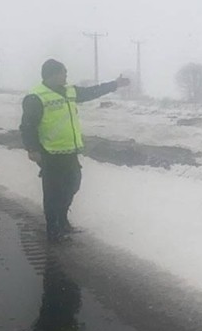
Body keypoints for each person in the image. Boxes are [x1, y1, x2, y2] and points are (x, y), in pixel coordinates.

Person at [20, 59, 128, 242]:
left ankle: (62, 220)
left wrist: (114, 84)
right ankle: (53, 229)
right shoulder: (36, 96)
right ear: (53, 75)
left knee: (73, 184)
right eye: (63, 72)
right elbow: (27, 126)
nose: (66, 76)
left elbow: (92, 92)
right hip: (50, 152)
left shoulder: (69, 91)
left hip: (69, 150)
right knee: (53, 192)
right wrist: (32, 149)